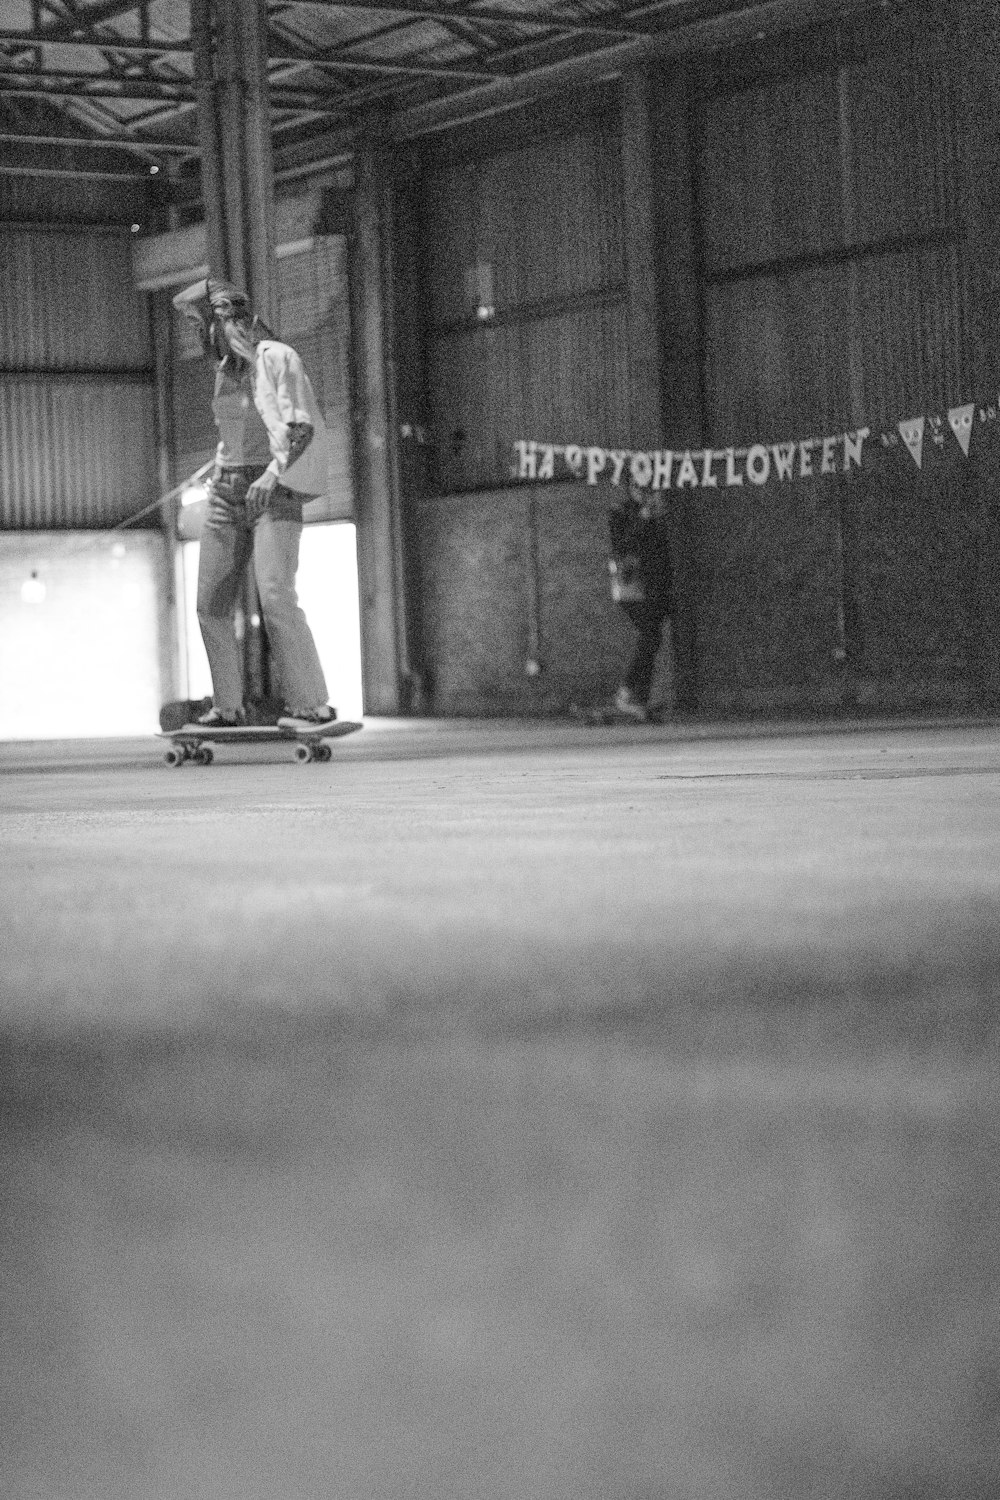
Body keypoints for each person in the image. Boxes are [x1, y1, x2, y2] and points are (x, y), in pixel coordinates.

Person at [171, 276, 336, 731]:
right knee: (210, 605)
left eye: (197, 324)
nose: (195, 335)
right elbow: (238, 434)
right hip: (226, 492)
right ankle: (228, 707)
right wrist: (220, 469)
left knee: (277, 595)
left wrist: (271, 472)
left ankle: (312, 704)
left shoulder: (278, 357)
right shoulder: (228, 370)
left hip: (273, 492)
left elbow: (300, 428)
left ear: (220, 322)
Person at [605, 481, 674, 721]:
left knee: (653, 636)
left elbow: (660, 550)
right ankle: (626, 693)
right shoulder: (622, 512)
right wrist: (644, 518)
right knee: (649, 634)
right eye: (641, 490)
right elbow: (623, 546)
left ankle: (638, 697)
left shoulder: (655, 513)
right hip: (631, 584)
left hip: (654, 584)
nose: (646, 495)